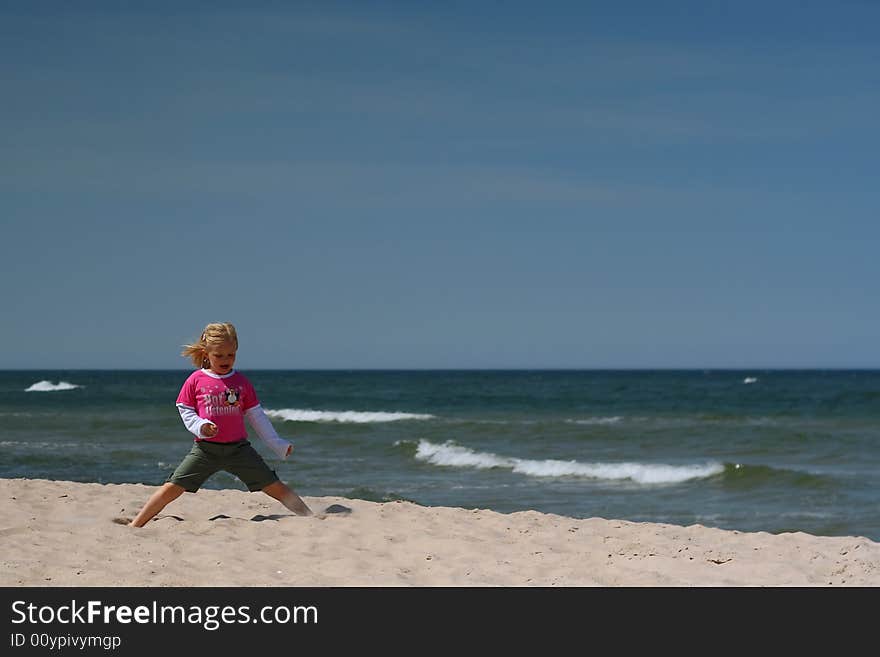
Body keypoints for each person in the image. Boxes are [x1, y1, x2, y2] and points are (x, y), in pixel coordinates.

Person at [129, 322, 314, 527]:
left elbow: (257, 417)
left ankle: (311, 518)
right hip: (205, 450)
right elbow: (185, 408)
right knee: (172, 488)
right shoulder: (196, 380)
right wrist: (201, 426)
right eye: (219, 355)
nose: (226, 360)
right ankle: (135, 524)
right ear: (206, 353)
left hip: (239, 451)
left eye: (231, 355)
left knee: (275, 487)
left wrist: (277, 443)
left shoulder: (241, 382)